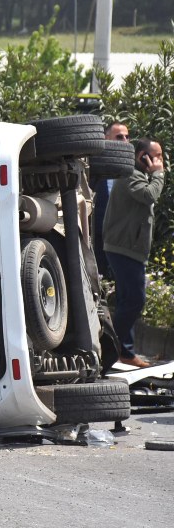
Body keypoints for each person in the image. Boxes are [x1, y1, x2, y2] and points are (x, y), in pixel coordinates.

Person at [103, 137, 165, 368]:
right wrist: (158, 175)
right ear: (142, 156)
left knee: (127, 300)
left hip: (129, 247)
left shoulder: (139, 175)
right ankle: (112, 348)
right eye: (155, 155)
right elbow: (149, 195)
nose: (160, 161)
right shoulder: (130, 174)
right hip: (123, 248)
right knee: (135, 301)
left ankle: (123, 351)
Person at [92, 121, 130, 279]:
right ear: (106, 138)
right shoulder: (94, 167)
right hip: (100, 233)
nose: (125, 141)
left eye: (127, 137)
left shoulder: (131, 170)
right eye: (119, 137)